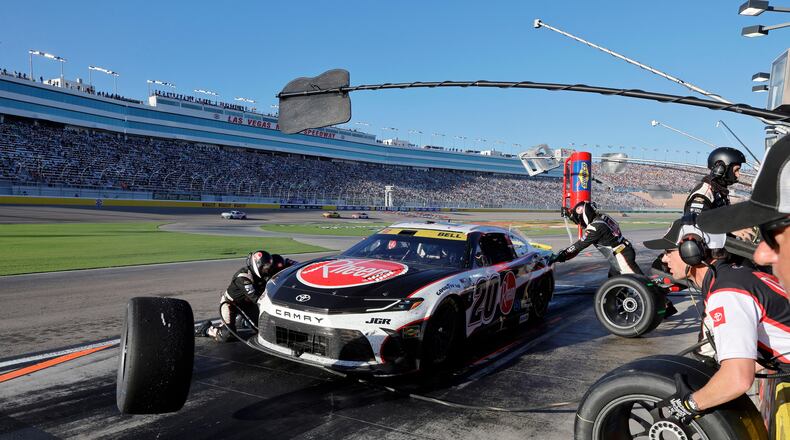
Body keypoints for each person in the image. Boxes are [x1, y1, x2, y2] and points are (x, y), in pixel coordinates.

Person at [642, 216, 790, 424]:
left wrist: (689, 405)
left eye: (668, 252)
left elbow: (738, 380)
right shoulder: (734, 276)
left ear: (691, 251)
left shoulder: (727, 292)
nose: (664, 260)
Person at [699, 135, 790, 300]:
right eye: (736, 170)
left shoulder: (717, 191)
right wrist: (731, 231)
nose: (739, 175)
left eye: (774, 236)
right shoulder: (704, 192)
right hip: (711, 251)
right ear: (720, 168)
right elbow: (694, 225)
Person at [198, 250, 294, 342]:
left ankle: (243, 321)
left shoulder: (264, 273)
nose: (267, 269)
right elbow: (258, 299)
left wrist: (288, 264)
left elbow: (285, 265)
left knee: (263, 329)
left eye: (269, 266)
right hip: (230, 304)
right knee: (227, 335)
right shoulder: (244, 278)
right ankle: (206, 329)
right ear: (257, 265)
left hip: (247, 304)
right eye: (265, 266)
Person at [552, 201, 642, 277]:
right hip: (623, 250)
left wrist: (563, 255)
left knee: (640, 285)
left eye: (579, 219)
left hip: (621, 256)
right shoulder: (602, 217)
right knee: (614, 284)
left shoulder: (595, 227)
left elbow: (579, 246)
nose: (579, 222)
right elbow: (587, 225)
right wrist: (571, 216)